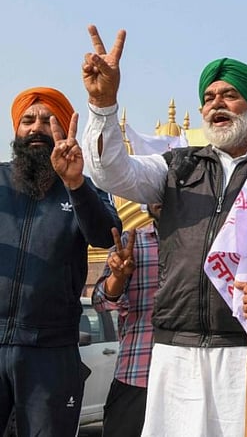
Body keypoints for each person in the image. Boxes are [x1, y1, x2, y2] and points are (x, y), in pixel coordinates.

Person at [81, 26, 247, 436]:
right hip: (177, 350)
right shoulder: (178, 166)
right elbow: (111, 171)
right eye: (209, 97)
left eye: (229, 95)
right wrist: (103, 105)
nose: (216, 103)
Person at [0, 87, 119, 435]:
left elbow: (107, 233)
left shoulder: (82, 185)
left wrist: (75, 184)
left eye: (49, 120)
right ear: (16, 129)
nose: (37, 128)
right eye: (28, 120)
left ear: (64, 129)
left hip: (50, 352)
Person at [92, 203, 162, 437]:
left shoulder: (207, 246)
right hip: (136, 377)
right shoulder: (132, 244)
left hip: (190, 380)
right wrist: (118, 277)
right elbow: (101, 301)